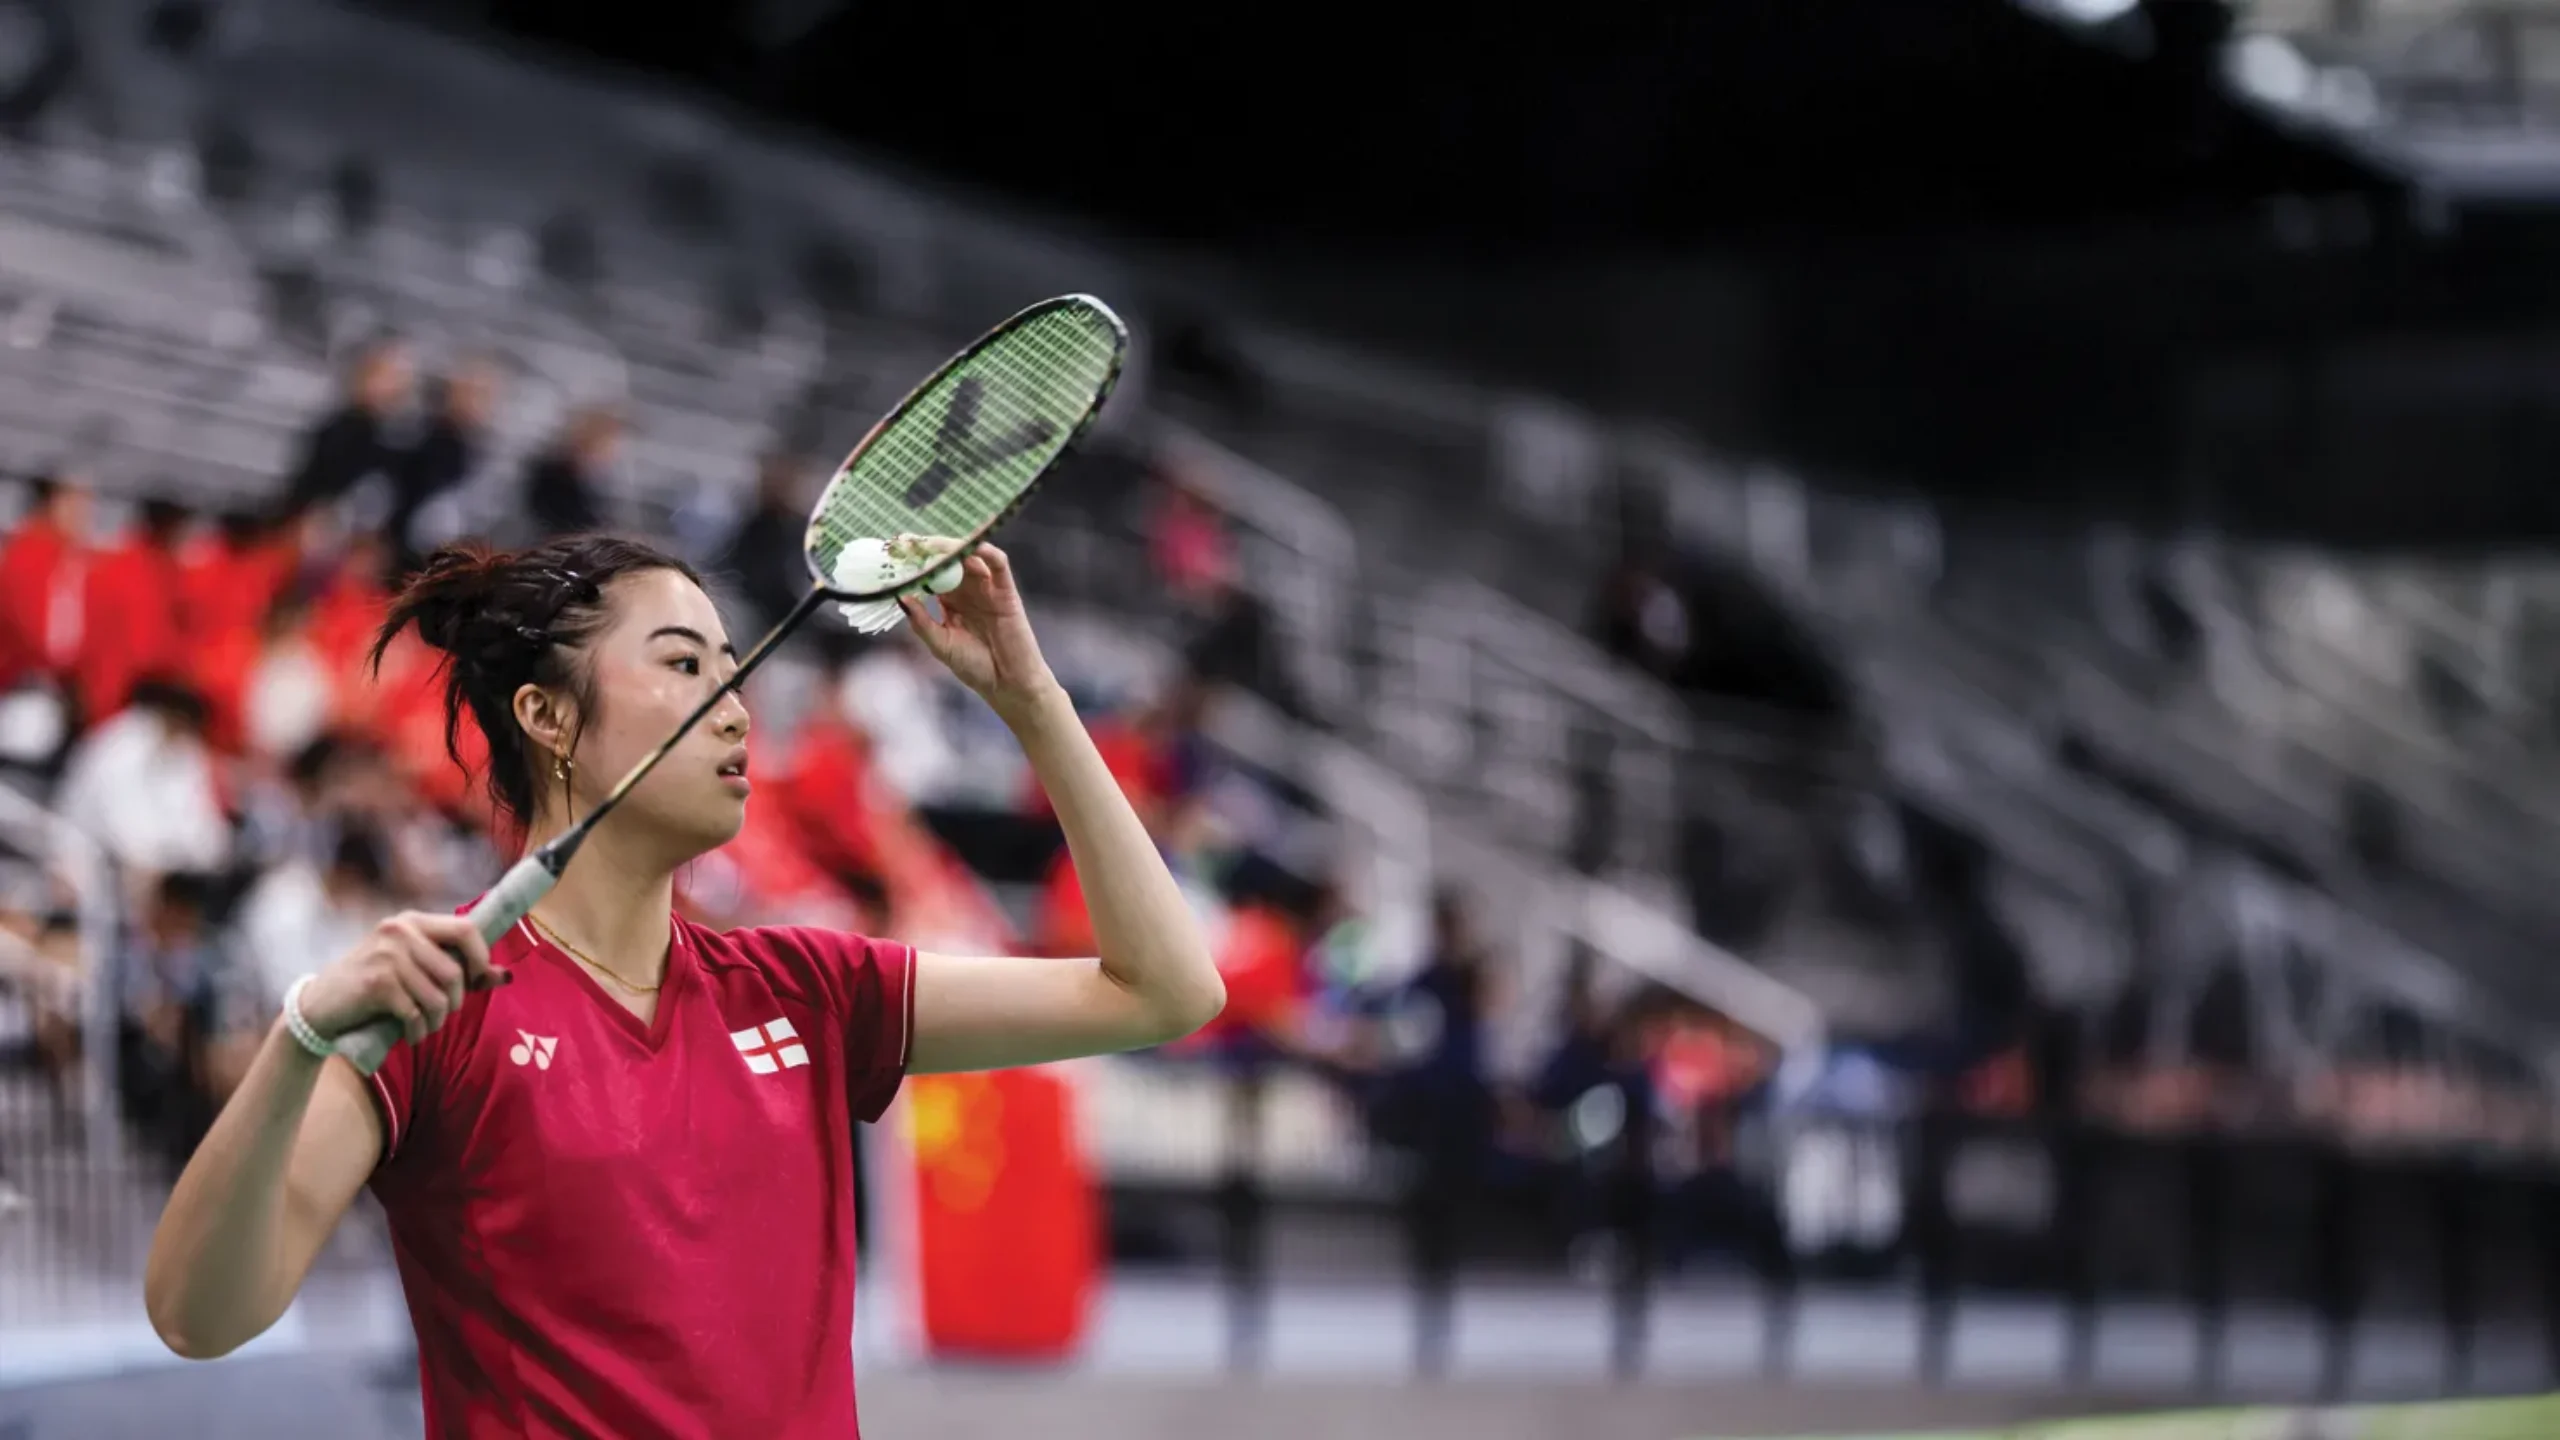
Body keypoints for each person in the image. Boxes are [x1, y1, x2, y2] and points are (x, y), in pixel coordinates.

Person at [143, 532, 1225, 1437]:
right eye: (682, 664)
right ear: (547, 717)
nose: (737, 708)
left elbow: (1164, 992)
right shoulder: (444, 1007)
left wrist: (1030, 699)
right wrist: (301, 1042)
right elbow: (198, 1317)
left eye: (733, 668)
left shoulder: (804, 990)